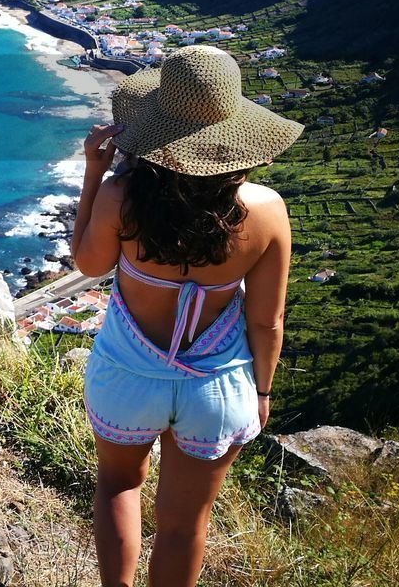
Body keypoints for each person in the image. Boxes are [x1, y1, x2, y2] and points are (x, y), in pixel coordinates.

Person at [70, 45, 305, 587]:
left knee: (119, 486)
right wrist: (262, 392)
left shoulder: (122, 196)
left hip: (127, 376)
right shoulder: (267, 211)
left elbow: (88, 263)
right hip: (217, 388)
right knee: (184, 525)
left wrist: (93, 176)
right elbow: (267, 322)